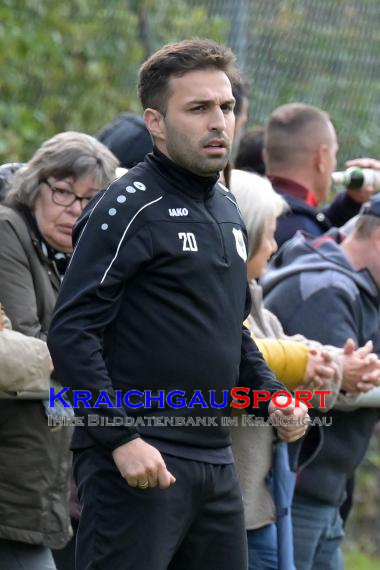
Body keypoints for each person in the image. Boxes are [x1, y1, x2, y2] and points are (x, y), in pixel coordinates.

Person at [47, 39, 309, 570]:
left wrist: (272, 397)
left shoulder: (227, 209)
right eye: (198, 108)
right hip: (139, 459)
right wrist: (121, 439)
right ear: (156, 121)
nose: (218, 121)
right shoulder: (125, 206)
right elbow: (71, 331)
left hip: (216, 459)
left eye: (226, 107)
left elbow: (227, 330)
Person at [228, 169, 380, 570]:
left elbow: (300, 357)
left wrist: (338, 371)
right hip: (258, 501)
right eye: (269, 232)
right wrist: (341, 371)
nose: (276, 243)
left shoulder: (253, 297)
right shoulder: (326, 289)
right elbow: (247, 359)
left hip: (266, 504)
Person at [0, 131, 118, 570]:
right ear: (35, 187)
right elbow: (27, 349)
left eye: (90, 201)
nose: (75, 210)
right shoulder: (8, 229)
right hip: (15, 469)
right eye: (64, 192)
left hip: (46, 472)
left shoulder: (69, 253)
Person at [263, 103, 374, 247]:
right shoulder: (302, 239)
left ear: (265, 156)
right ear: (321, 158)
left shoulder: (242, 205)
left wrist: (350, 203)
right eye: (334, 154)